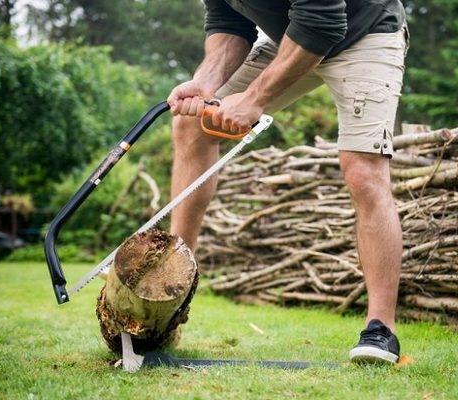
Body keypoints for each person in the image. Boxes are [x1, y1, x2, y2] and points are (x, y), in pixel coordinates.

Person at [167, 0, 408, 365]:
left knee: (362, 170)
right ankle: (170, 283)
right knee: (193, 122)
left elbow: (323, 21)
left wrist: (254, 98)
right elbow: (229, 23)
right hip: (294, 37)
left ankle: (381, 329)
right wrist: (205, 82)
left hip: (364, 33)